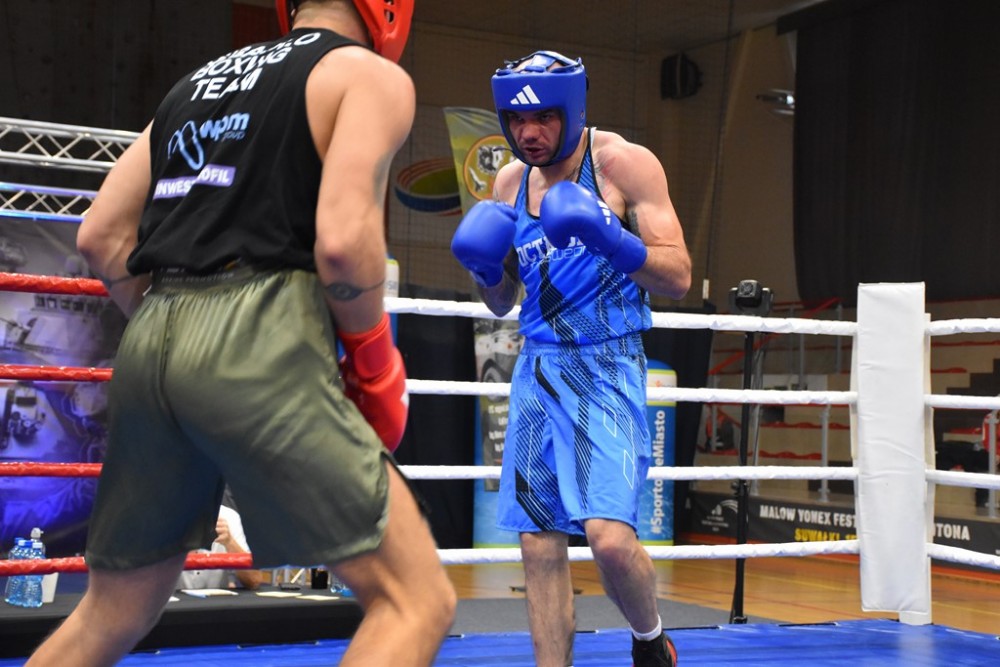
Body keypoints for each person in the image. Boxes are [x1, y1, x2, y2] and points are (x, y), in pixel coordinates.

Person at [26, 2, 456, 665]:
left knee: (110, 612)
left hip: (151, 337)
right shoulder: (365, 75)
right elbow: (344, 243)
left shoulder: (192, 87)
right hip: (261, 333)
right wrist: (373, 357)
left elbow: (100, 235)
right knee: (415, 599)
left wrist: (182, 344)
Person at [451, 51, 692, 667]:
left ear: (573, 110)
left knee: (609, 540)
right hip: (537, 367)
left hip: (607, 363)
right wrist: (485, 272)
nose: (528, 133)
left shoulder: (621, 164)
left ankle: (649, 638)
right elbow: (504, 302)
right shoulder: (509, 184)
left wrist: (609, 235)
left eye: (543, 119)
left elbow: (678, 276)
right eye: (516, 120)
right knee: (537, 545)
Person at [176, 492, 264, 591]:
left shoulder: (230, 518)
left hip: (217, 599)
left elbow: (254, 580)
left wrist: (230, 542)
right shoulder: (167, 520)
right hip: (171, 599)